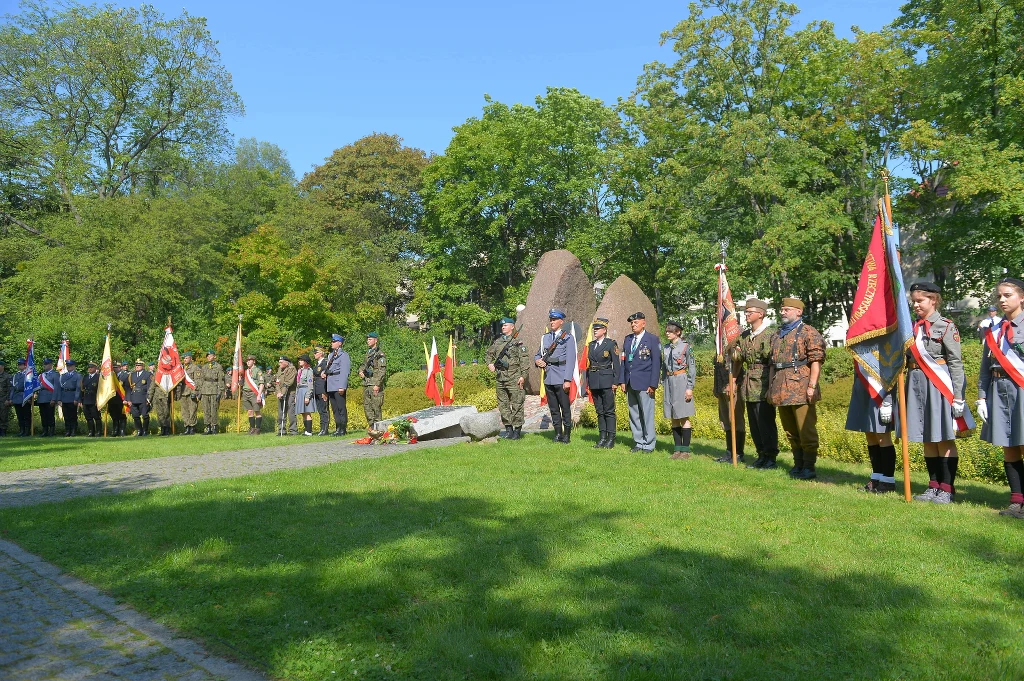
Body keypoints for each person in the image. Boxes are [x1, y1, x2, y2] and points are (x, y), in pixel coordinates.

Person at [905, 282, 975, 503]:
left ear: (933, 300)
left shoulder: (945, 326)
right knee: (926, 436)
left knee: (943, 437)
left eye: (920, 300)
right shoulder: (911, 327)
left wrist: (958, 396)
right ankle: (933, 485)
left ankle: (947, 488)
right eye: (913, 301)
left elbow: (955, 362)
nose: (915, 305)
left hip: (938, 385)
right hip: (915, 385)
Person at [976, 277, 1024, 518]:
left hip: (1021, 388)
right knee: (1009, 445)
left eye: (1008, 295)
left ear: (1022, 297)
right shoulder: (993, 330)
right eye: (999, 296)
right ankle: (1017, 500)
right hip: (999, 389)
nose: (1002, 300)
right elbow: (985, 368)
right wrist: (982, 397)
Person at [768, 298, 826, 480]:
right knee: (790, 430)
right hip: (781, 388)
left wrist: (812, 386)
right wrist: (770, 388)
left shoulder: (809, 332)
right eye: (782, 309)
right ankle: (798, 463)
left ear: (798, 312)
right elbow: (772, 364)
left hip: (801, 387)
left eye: (787, 309)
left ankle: (809, 467)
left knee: (805, 429)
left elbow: (816, 360)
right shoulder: (777, 334)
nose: (782, 312)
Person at [730, 298, 780, 469]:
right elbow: (738, 359)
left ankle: (770, 457)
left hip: (764, 383)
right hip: (748, 385)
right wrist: (734, 378)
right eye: (746, 312)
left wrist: (772, 387)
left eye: (750, 312)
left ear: (761, 314)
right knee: (754, 423)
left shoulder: (771, 334)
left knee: (765, 421)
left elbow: (773, 362)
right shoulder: (745, 336)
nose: (746, 314)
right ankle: (761, 455)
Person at [619, 311, 661, 453]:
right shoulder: (628, 339)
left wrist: (653, 384)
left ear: (644, 323)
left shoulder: (652, 339)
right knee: (634, 414)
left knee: (647, 415)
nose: (633, 325)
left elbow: (656, 363)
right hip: (630, 382)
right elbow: (624, 361)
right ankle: (639, 442)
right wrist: (622, 380)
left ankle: (649, 444)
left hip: (645, 383)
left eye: (636, 322)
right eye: (632, 323)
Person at [535, 309, 577, 444]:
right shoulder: (545, 337)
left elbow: (571, 360)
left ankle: (567, 435)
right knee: (553, 408)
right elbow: (538, 354)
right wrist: (538, 361)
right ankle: (558, 433)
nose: (552, 322)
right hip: (549, 377)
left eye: (554, 320)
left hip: (561, 376)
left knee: (565, 408)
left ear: (561, 321)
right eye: (551, 320)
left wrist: (567, 380)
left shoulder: (568, 338)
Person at [486, 317, 528, 440]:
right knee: (503, 405)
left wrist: (523, 376)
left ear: (512, 327)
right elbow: (488, 354)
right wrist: (490, 364)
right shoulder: (497, 342)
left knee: (517, 404)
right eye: (502, 326)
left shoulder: (518, 342)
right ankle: (508, 429)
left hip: (514, 377)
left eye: (506, 325)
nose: (503, 327)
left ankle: (517, 431)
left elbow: (524, 361)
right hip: (500, 378)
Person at [661, 320, 695, 459]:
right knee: (673, 416)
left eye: (670, 331)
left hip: (681, 381)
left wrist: (689, 388)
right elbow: (663, 367)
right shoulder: (666, 348)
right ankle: (677, 449)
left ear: (678, 332)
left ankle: (685, 450)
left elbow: (692, 368)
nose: (667, 333)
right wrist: (663, 382)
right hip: (669, 382)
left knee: (683, 416)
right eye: (666, 331)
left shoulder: (686, 347)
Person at [585, 317, 620, 448]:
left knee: (609, 411)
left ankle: (611, 439)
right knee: (599, 411)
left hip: (607, 380)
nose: (595, 330)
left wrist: (615, 382)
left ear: (604, 330)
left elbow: (616, 365)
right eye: (594, 328)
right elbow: (589, 364)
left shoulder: (610, 344)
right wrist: (588, 382)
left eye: (598, 328)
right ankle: (602, 438)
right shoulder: (591, 345)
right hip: (594, 380)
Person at [712, 355, 745, 464]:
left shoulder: (733, 345)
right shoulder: (719, 346)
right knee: (725, 420)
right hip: (721, 386)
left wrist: (732, 383)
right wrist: (716, 386)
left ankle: (738, 453)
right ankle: (729, 452)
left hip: (733, 386)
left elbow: (737, 362)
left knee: (736, 420)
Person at [359, 332, 387, 428]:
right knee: (367, 407)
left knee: (376, 407)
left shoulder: (380, 354)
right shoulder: (368, 353)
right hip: (367, 383)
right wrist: (360, 371)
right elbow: (363, 365)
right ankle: (372, 427)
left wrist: (377, 385)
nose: (368, 341)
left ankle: (379, 429)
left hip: (374, 384)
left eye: (370, 339)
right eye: (367, 339)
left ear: (376, 340)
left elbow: (382, 371)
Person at [325, 335, 350, 436]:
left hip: (338, 383)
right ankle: (338, 428)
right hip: (331, 384)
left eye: (334, 341)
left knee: (341, 407)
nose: (332, 343)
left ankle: (343, 428)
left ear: (340, 343)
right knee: (334, 408)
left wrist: (342, 386)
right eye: (332, 341)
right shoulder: (331, 355)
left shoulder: (343, 355)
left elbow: (344, 371)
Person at [197, 350, 224, 434]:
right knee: (206, 410)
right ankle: (208, 427)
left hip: (214, 390)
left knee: (214, 409)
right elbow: (201, 380)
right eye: (207, 356)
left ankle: (214, 427)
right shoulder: (204, 367)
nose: (209, 357)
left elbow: (221, 380)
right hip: (205, 390)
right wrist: (199, 392)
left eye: (210, 355)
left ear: (214, 356)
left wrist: (220, 391)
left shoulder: (218, 367)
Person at [124, 359, 153, 436]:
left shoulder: (147, 374)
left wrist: (148, 398)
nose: (137, 366)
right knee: (135, 416)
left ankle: (145, 431)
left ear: (143, 366)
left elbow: (150, 387)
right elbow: (128, 388)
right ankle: (139, 430)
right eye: (136, 365)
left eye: (139, 365)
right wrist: (128, 399)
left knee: (145, 415)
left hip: (143, 397)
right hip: (133, 397)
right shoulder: (132, 375)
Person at [56, 359, 83, 436]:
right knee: (66, 416)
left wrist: (76, 398)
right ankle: (67, 431)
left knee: (73, 416)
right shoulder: (63, 376)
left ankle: (73, 431)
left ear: (74, 366)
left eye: (70, 366)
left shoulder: (78, 376)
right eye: (68, 366)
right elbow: (60, 388)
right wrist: (59, 399)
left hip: (72, 396)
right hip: (64, 397)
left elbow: (78, 388)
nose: (69, 367)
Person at [241, 355, 266, 435]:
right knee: (249, 411)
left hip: (254, 393)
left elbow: (261, 384)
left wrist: (259, 395)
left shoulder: (258, 371)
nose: (248, 362)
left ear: (254, 361)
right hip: (246, 392)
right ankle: (252, 428)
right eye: (247, 360)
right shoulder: (245, 371)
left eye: (250, 360)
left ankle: (257, 429)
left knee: (257, 411)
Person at [176, 352, 200, 435]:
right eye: (184, 358)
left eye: (186, 358)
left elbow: (197, 381)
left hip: (191, 391)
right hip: (183, 392)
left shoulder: (195, 368)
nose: (185, 360)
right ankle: (187, 427)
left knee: (192, 410)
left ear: (190, 358)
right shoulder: (181, 368)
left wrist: (195, 392)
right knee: (184, 411)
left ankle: (192, 427)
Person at [274, 355, 297, 436]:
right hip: (280, 392)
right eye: (279, 362)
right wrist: (278, 392)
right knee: (281, 412)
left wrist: (282, 393)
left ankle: (293, 430)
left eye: (281, 362)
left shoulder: (292, 369)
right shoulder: (280, 369)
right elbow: (277, 382)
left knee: (291, 412)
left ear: (286, 363)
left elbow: (288, 383)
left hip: (290, 393)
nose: (279, 364)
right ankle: (281, 430)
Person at [36, 358, 59, 436]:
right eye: (44, 364)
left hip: (50, 397)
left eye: (46, 364)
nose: (44, 366)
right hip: (41, 397)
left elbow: (56, 388)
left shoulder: (55, 374)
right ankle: (45, 430)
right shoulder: (41, 375)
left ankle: (51, 430)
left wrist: (54, 399)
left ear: (50, 365)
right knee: (43, 415)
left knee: (50, 415)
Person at [295, 354, 316, 436]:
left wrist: (307, 396)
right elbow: (298, 384)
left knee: (307, 412)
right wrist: (296, 396)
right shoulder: (300, 371)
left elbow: (310, 385)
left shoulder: (309, 370)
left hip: (305, 391)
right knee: (303, 412)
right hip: (300, 391)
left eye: (301, 360)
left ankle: (309, 431)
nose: (299, 361)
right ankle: (306, 430)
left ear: (305, 361)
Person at [313, 345, 331, 435]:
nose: (314, 354)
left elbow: (326, 378)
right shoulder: (317, 364)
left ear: (321, 353)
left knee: (324, 409)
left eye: (316, 353)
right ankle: (322, 428)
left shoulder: (325, 363)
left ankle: (325, 428)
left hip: (322, 388)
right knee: (320, 410)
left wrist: (325, 391)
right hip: (317, 389)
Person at [108, 361, 129, 436]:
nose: (115, 369)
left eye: (116, 367)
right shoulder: (110, 377)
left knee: (122, 416)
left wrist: (126, 399)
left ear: (120, 367)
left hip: (121, 399)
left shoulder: (125, 376)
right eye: (113, 367)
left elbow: (128, 389)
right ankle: (115, 431)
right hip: (112, 399)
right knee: (114, 416)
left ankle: (122, 431)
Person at [81, 361, 101, 437]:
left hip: (94, 399)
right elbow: (82, 389)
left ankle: (98, 432)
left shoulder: (98, 377)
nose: (89, 369)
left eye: (91, 367)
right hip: (86, 399)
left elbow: (100, 389)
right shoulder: (85, 377)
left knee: (96, 417)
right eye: (89, 367)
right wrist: (81, 400)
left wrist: (98, 400)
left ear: (95, 368)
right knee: (88, 417)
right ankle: (91, 432)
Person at [10, 359, 28, 436]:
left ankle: (27, 431)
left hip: (24, 396)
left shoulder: (28, 374)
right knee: (19, 415)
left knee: (26, 415)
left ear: (25, 365)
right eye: (19, 365)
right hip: (17, 397)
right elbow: (13, 388)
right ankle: (21, 430)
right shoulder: (16, 375)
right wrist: (11, 398)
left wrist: (30, 397)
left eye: (21, 364)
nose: (19, 366)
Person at [0, 359, 10, 437]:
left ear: (2, 366)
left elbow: (10, 389)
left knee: (3, 416)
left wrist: (8, 399)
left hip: (3, 399)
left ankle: (3, 431)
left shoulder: (7, 376)